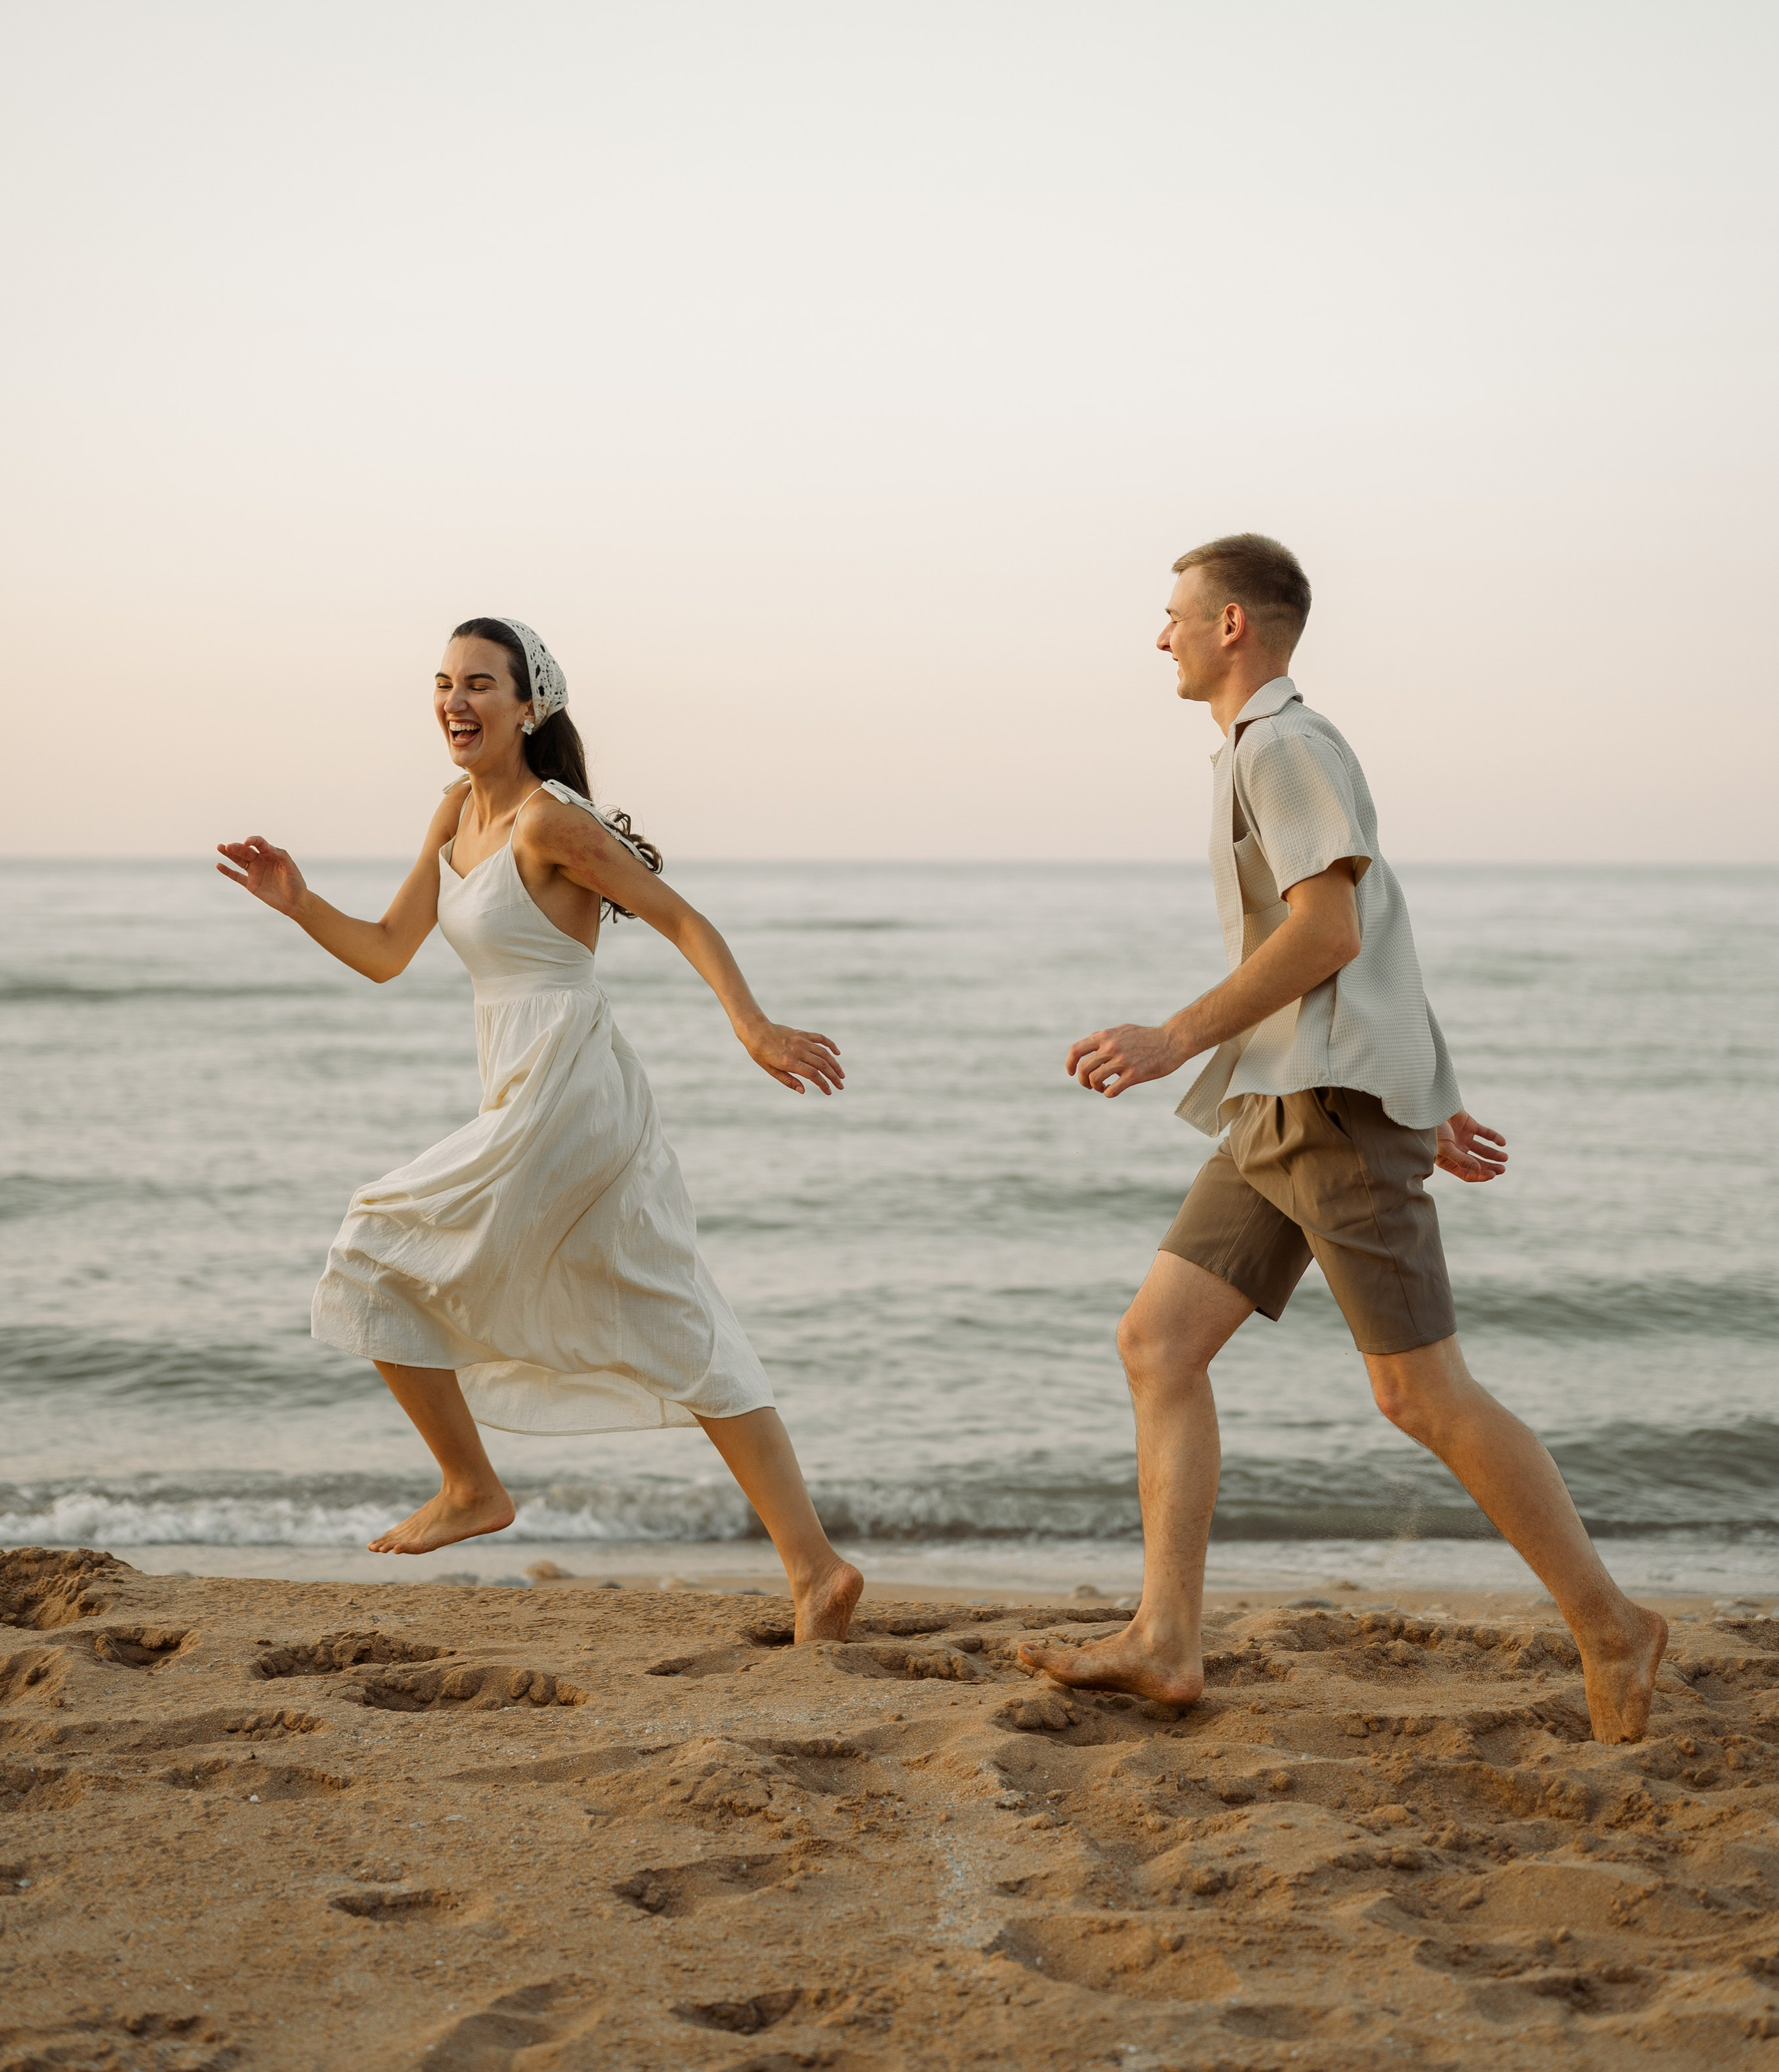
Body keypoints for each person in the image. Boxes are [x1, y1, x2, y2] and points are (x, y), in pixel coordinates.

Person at [1019, 535, 1666, 1743]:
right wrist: (1440, 1086)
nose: (1157, 636)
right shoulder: (1263, 750)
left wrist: (1170, 1037)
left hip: (1322, 1111)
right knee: (1158, 1343)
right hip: (1278, 1101)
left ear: (1232, 628)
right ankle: (1165, 1640)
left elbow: (1333, 935)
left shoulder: (1287, 744)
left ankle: (1613, 1622)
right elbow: (1384, 927)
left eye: (1173, 615)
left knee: (1419, 1393)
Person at [217, 615, 862, 1643]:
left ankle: (472, 1486)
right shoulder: (454, 815)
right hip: (526, 1090)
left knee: (373, 1238)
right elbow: (388, 952)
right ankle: (817, 1571)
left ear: (529, 706)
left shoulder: (548, 823)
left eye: (480, 685)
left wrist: (753, 1026)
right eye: (443, 684)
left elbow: (683, 917)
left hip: (570, 1090)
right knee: (670, 1315)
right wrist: (298, 902)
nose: (454, 702)